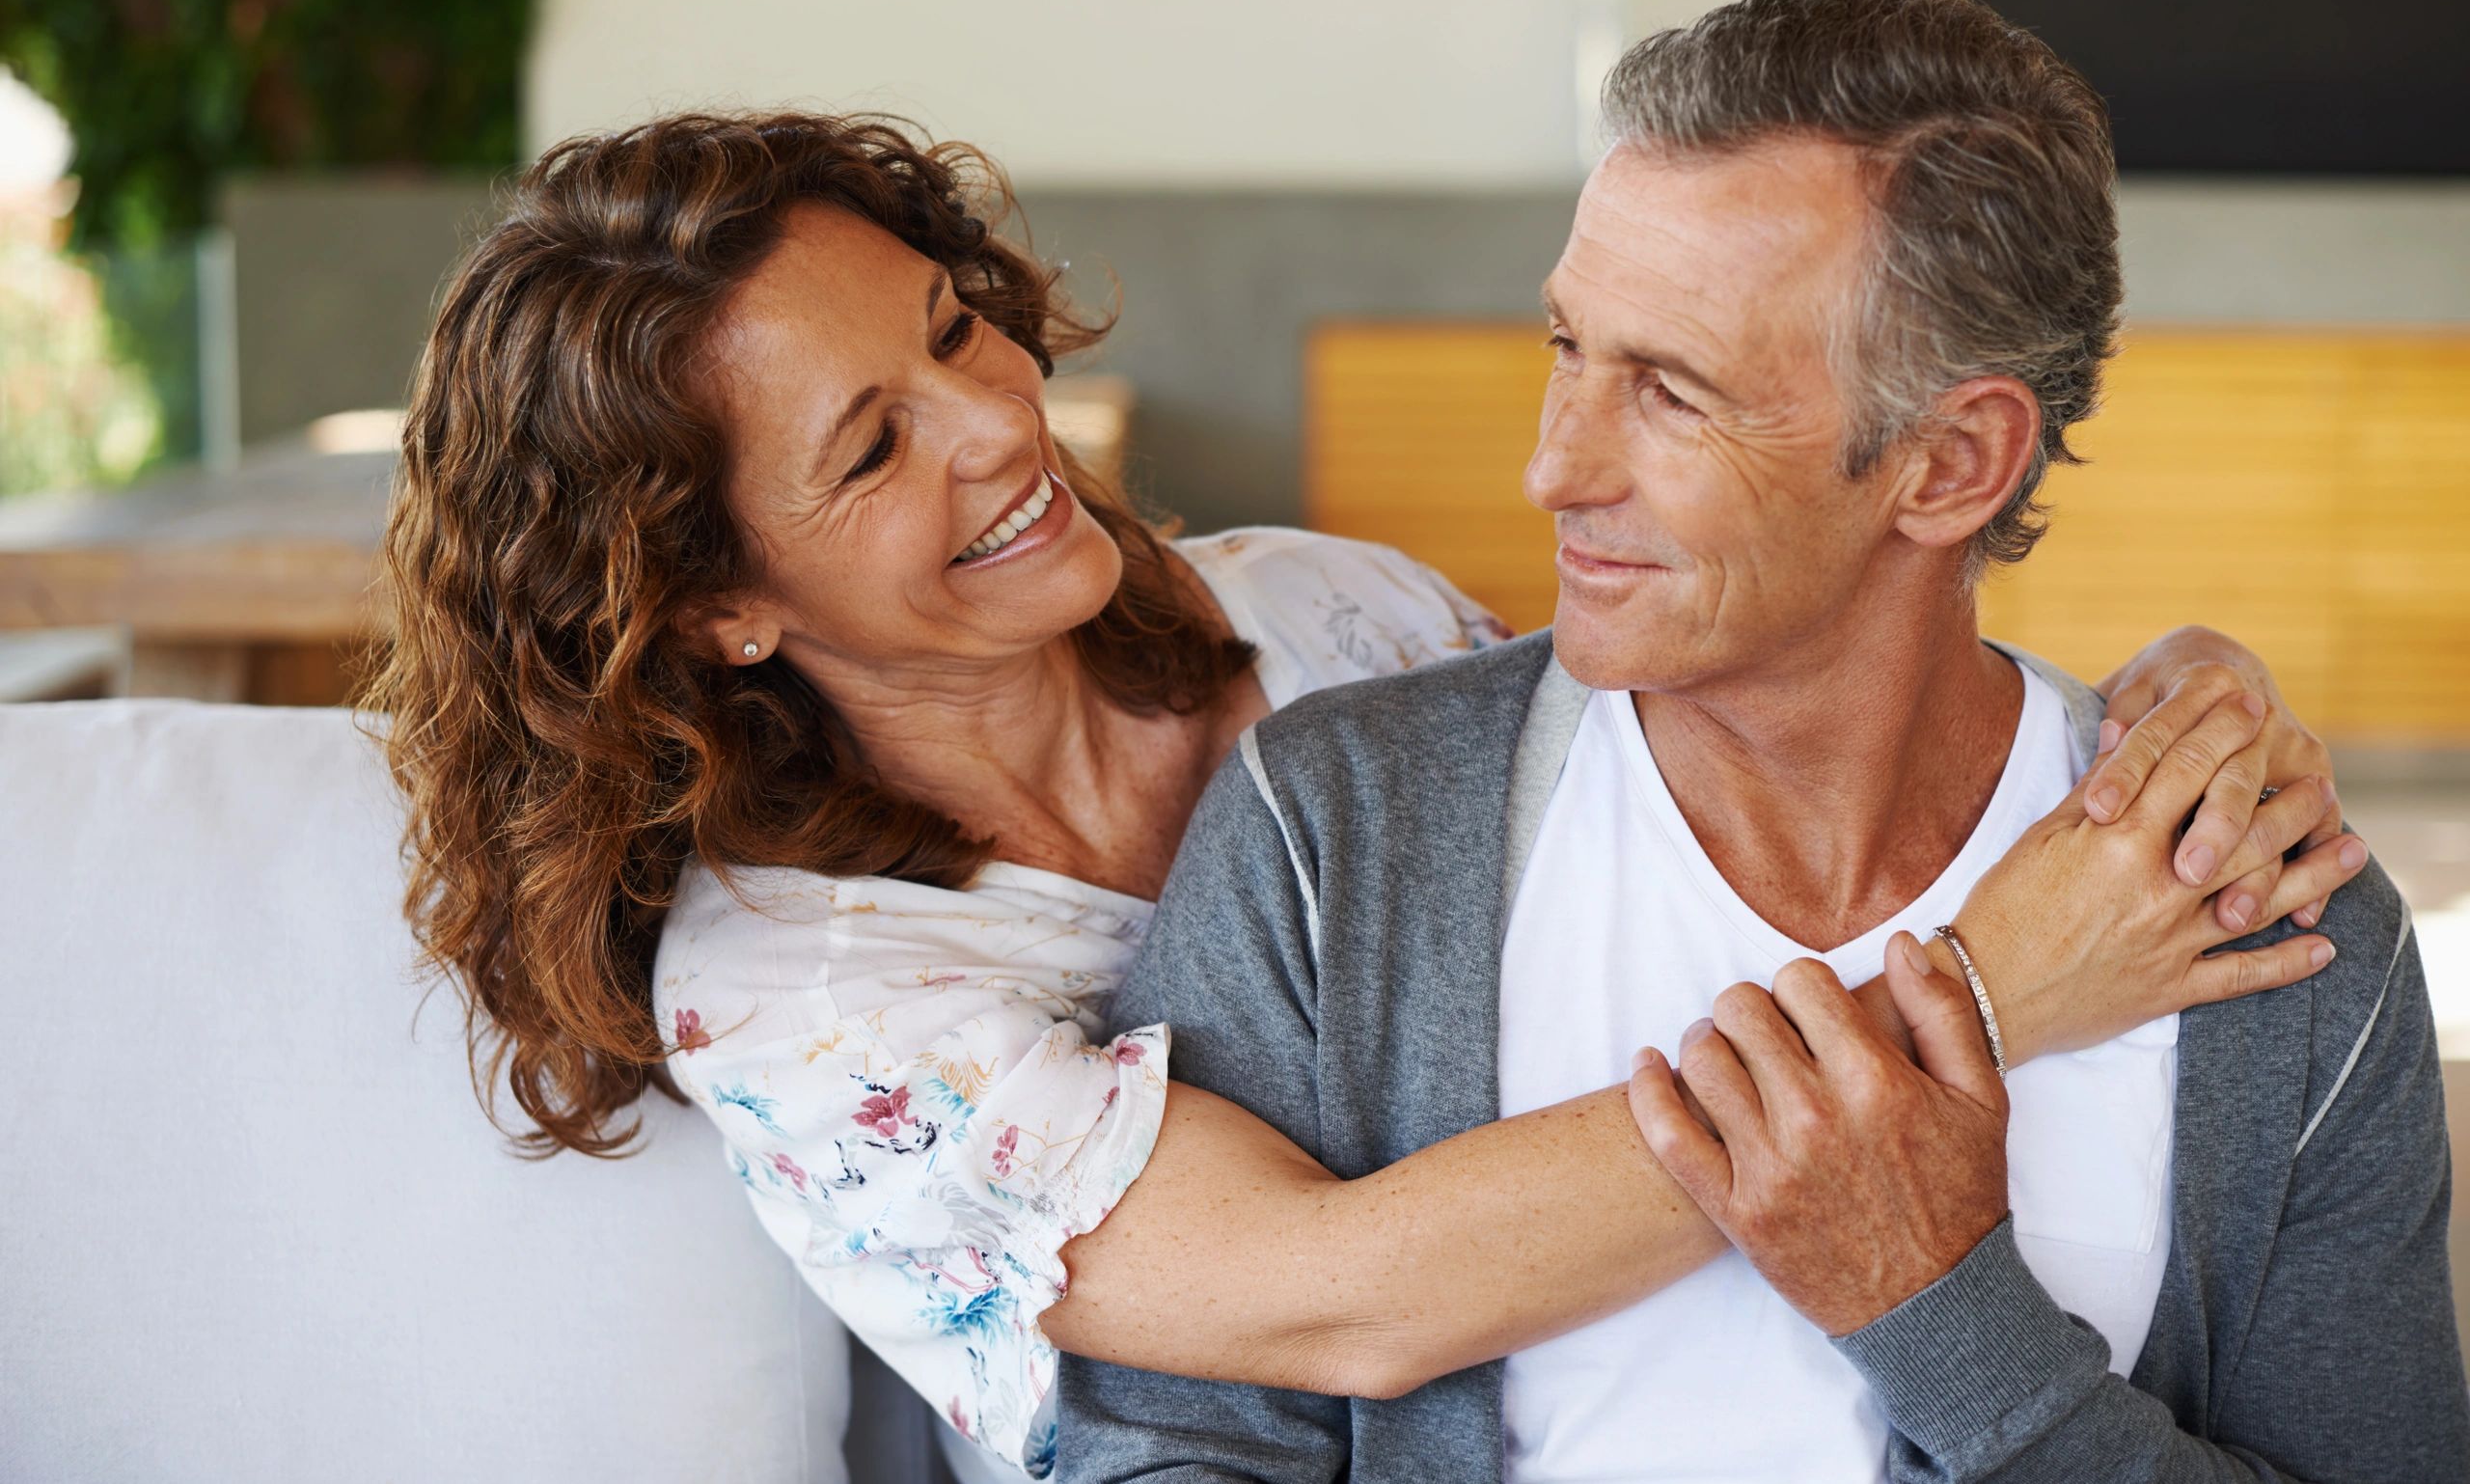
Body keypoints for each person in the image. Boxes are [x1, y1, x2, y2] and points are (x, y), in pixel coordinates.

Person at [371, 104, 2358, 1483]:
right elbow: (1341, 1307)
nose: (998, 424)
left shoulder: (1315, 614)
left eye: (955, 328)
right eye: (873, 449)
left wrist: (2156, 706)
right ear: (712, 603)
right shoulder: (813, 1002)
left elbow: (1715, 709)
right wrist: (1989, 979)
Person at [1057, 0, 2465, 1482]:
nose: (1553, 465)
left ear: (1950, 464)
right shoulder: (1335, 830)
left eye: (1671, 393)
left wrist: (1947, 1321)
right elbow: (1168, 1444)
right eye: (1566, 348)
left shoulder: (2267, 924)